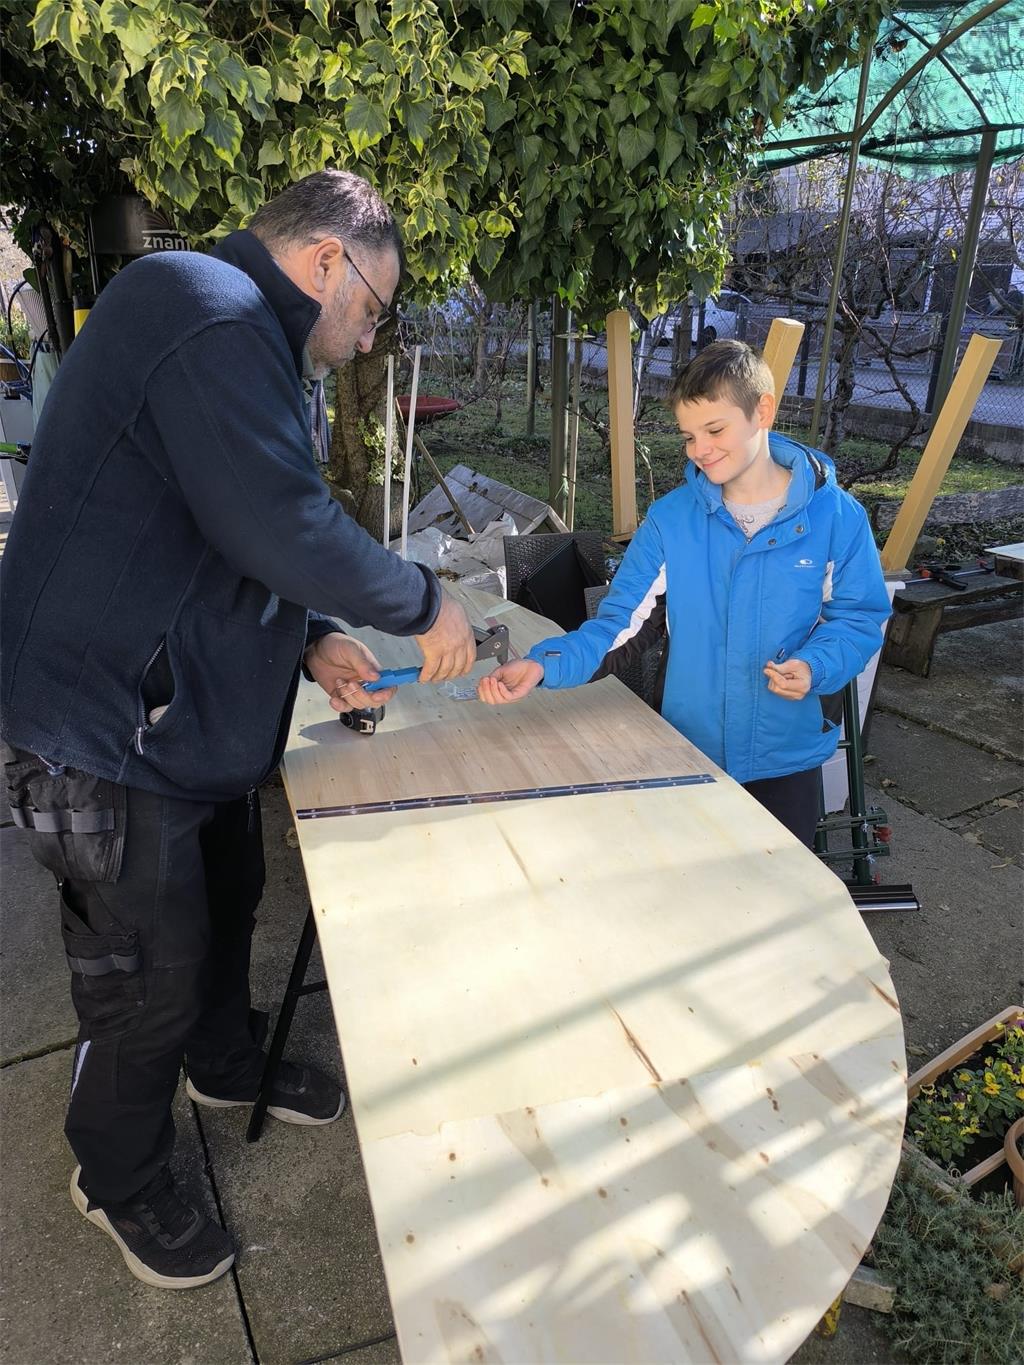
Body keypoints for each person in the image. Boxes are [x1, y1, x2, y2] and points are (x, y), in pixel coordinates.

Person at [1, 170, 477, 1289]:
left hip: (177, 719)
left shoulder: (240, 334)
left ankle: (220, 1061)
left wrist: (310, 635)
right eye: (373, 310)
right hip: (105, 730)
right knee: (144, 973)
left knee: (226, 902)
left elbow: (223, 527)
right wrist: (423, 604)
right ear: (326, 261)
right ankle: (116, 1175)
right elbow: (281, 520)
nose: (368, 341)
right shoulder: (203, 310)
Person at [478, 340, 891, 846]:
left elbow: (857, 619)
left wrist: (815, 665)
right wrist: (544, 665)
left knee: (778, 886)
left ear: (762, 411)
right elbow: (620, 625)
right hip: (688, 751)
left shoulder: (838, 518)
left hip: (786, 760)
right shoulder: (671, 520)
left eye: (715, 430)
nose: (699, 450)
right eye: (689, 436)